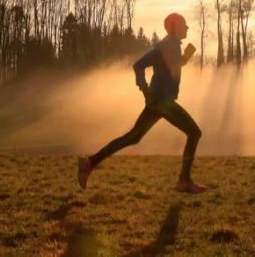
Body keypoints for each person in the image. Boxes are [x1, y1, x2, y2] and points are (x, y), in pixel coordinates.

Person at [77, 13, 207, 194]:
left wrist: (185, 58)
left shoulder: (172, 47)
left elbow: (171, 66)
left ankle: (90, 162)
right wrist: (144, 88)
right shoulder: (164, 47)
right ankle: (184, 181)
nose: (186, 28)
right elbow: (138, 65)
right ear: (172, 27)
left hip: (158, 102)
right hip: (163, 102)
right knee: (194, 132)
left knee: (133, 137)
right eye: (183, 25)